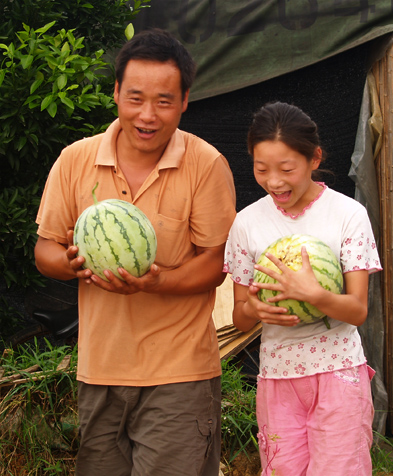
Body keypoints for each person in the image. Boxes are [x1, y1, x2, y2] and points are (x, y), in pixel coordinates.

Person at [34, 28, 236, 476]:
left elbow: (216, 263)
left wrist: (158, 280)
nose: (148, 115)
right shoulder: (75, 159)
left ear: (184, 101)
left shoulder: (206, 164)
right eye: (136, 98)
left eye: (164, 101)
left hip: (180, 374)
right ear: (116, 93)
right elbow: (45, 248)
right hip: (100, 369)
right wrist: (70, 266)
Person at [223, 101, 382, 476]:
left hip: (339, 373)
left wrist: (316, 295)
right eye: (261, 169)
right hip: (278, 379)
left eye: (287, 169)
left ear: (315, 159)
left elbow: (358, 310)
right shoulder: (247, 223)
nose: (274, 181)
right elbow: (240, 317)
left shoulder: (347, 215)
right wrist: (255, 311)